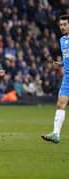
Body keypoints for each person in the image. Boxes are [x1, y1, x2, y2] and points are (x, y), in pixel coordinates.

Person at [42, 15, 69, 144]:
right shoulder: (62, 40)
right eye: (61, 25)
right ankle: (56, 134)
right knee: (60, 104)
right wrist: (62, 63)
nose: (62, 27)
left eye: (65, 24)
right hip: (67, 77)